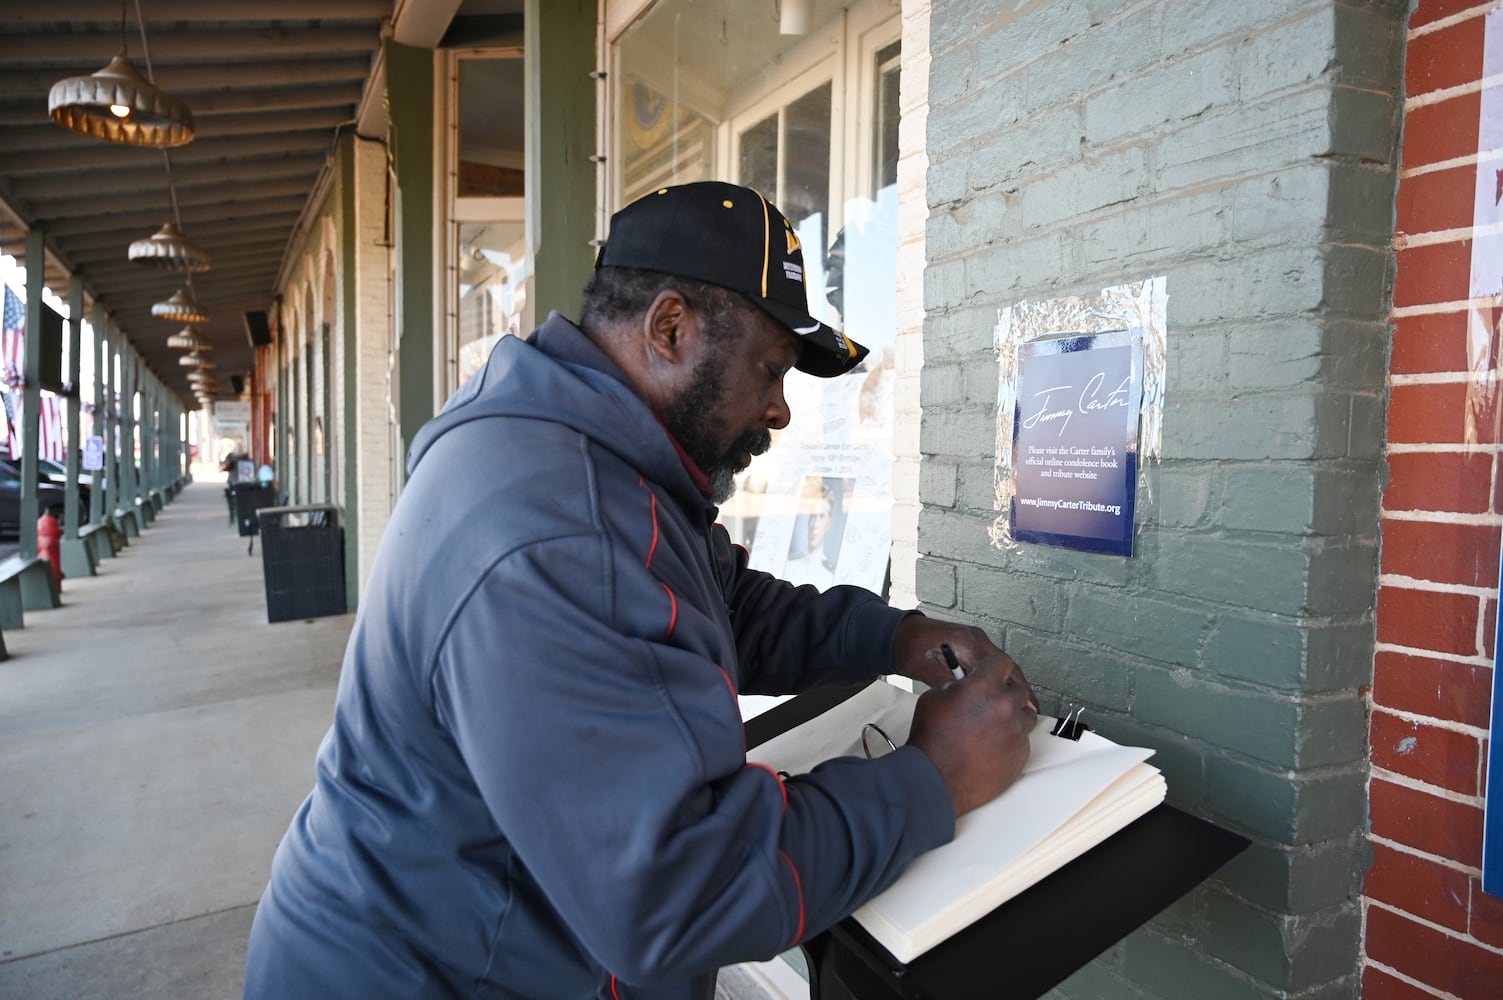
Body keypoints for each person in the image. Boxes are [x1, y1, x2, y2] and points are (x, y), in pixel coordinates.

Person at [243, 181, 1038, 1000]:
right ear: (668, 328)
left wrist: (891, 637)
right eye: (769, 369)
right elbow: (675, 897)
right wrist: (933, 778)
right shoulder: (555, 528)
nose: (779, 410)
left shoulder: (600, 460)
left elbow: (721, 604)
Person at [782, 482, 839, 589]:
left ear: (829, 523)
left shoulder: (830, 575)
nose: (815, 524)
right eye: (813, 516)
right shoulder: (790, 563)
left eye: (821, 517)